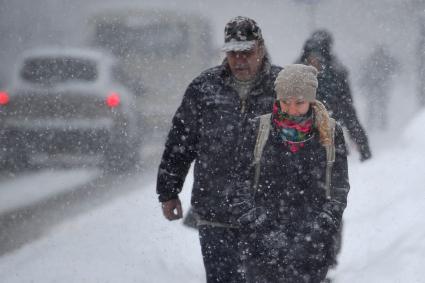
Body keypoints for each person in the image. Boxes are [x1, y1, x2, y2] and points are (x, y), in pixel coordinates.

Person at [156, 16, 282, 282]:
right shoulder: (204, 88)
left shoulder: (282, 88)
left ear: (260, 48)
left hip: (268, 213)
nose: (239, 60)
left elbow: (306, 147)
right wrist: (168, 191)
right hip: (216, 211)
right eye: (233, 53)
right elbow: (180, 142)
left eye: (246, 52)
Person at [230, 64, 350, 282]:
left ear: (311, 101)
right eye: (285, 102)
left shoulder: (331, 132)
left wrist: (319, 229)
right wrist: (261, 229)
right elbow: (239, 185)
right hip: (260, 247)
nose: (291, 110)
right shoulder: (258, 130)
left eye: (299, 103)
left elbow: (339, 188)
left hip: (313, 248)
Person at [297, 29, 372, 162]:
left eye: (317, 60)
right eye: (311, 59)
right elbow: (350, 114)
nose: (314, 63)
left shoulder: (299, 68)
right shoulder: (336, 70)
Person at [359, 45, 398, 131]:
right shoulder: (384, 61)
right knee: (378, 105)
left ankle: (376, 124)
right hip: (379, 87)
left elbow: (364, 73)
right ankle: (380, 124)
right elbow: (393, 67)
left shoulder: (373, 61)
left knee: (375, 106)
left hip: (375, 87)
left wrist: (364, 84)